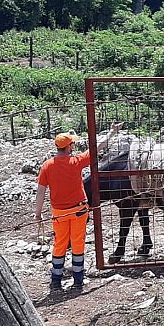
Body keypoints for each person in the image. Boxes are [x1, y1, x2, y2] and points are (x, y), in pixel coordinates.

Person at [34, 122, 121, 291]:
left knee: (59, 244)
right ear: (69, 147)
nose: (73, 146)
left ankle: (56, 280)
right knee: (77, 243)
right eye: (72, 144)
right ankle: (78, 280)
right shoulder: (76, 161)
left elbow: (40, 192)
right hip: (79, 210)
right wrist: (111, 132)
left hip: (58, 213)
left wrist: (37, 214)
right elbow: (97, 148)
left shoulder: (47, 166)